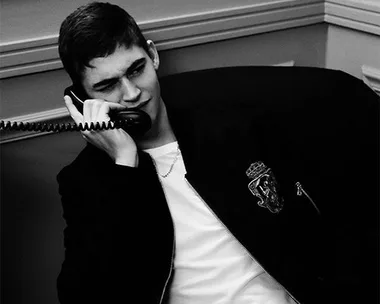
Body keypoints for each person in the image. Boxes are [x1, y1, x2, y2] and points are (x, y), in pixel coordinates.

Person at [57, 2, 379, 304]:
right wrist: (124, 168)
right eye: (107, 86)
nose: (132, 94)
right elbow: (88, 293)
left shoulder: (234, 128)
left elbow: (327, 223)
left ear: (153, 56)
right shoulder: (88, 182)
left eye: (136, 69)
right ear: (83, 99)